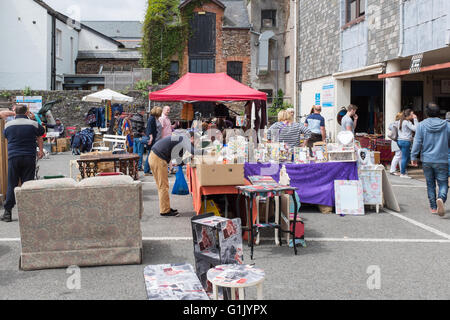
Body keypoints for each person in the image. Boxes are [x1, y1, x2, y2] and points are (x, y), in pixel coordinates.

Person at [2, 105, 45, 222]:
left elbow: (6, 136)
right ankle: (28, 213)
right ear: (27, 112)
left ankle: (7, 213)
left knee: (12, 183)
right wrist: (40, 150)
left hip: (13, 157)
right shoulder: (33, 124)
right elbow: (40, 135)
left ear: (15, 112)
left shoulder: (8, 125)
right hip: (29, 157)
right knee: (27, 184)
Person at [411, 103, 450, 216]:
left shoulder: (422, 125)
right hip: (442, 159)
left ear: (427, 113)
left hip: (427, 159)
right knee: (443, 183)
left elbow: (417, 142)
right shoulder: (446, 125)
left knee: (430, 183)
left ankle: (433, 207)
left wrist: (413, 157)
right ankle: (441, 198)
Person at [149, 131, 200, 217]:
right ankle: (165, 211)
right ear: (191, 138)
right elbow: (193, 151)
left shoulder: (180, 141)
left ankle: (166, 207)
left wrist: (188, 158)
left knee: (162, 186)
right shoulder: (184, 139)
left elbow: (179, 161)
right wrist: (207, 152)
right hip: (158, 158)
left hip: (154, 156)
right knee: (163, 186)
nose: (196, 144)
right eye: (196, 141)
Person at [396, 108, 418, 179]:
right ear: (408, 115)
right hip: (405, 141)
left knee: (406, 157)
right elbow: (416, 129)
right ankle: (403, 173)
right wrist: (415, 119)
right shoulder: (407, 122)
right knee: (405, 158)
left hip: (399, 141)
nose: (413, 115)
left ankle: (403, 171)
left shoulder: (400, 121)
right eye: (412, 114)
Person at [144, 106, 163, 175]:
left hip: (154, 139)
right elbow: (149, 129)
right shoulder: (151, 119)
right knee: (150, 155)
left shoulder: (153, 118)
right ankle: (146, 170)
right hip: (152, 140)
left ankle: (148, 170)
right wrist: (151, 138)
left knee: (151, 155)